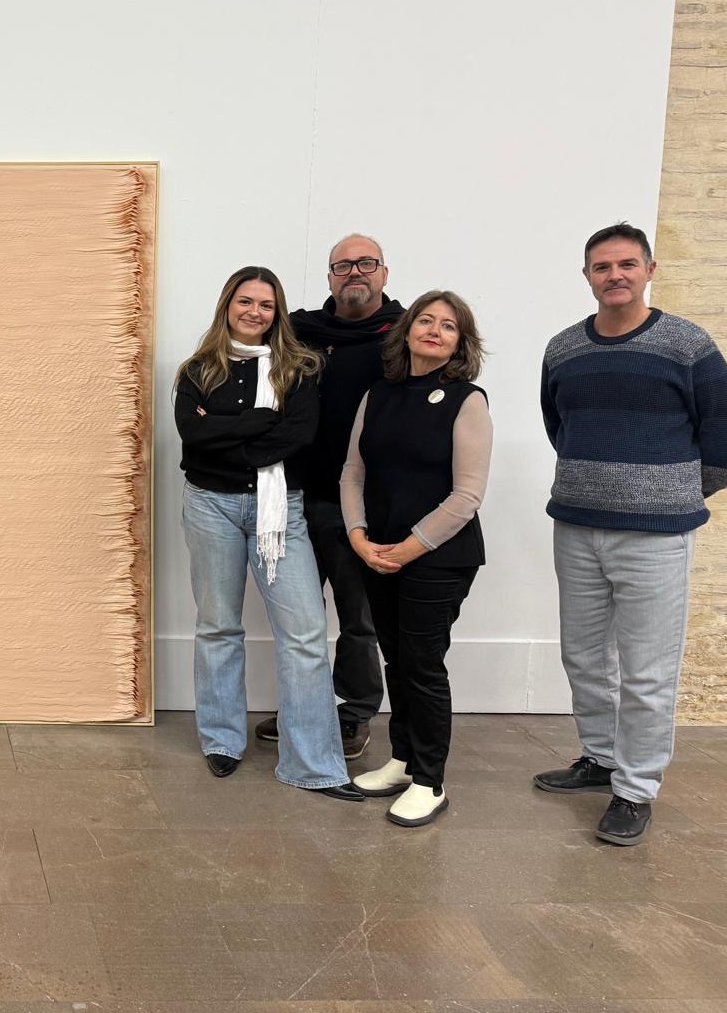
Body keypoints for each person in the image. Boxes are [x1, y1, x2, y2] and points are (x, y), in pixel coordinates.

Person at [536, 223, 726, 846]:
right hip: (576, 525)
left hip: (657, 536)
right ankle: (599, 758)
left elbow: (722, 430)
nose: (614, 275)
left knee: (647, 670)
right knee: (584, 655)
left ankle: (636, 788)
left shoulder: (687, 344)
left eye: (626, 264)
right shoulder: (564, 348)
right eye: (601, 266)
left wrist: (673, 493)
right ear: (586, 276)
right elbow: (558, 424)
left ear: (649, 269)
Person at [174, 265, 362, 801]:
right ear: (227, 305)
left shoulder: (299, 368)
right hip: (209, 505)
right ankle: (222, 740)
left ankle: (312, 764)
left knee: (304, 634)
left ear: (277, 312)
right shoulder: (198, 370)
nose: (254, 312)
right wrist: (260, 422)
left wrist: (225, 433)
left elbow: (298, 435)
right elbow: (192, 437)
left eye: (266, 304)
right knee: (218, 625)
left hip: (280, 509)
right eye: (245, 301)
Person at [342, 291, 492, 827]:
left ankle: (431, 781)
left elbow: (467, 496)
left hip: (439, 558)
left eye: (448, 325)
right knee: (397, 660)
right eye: (425, 320)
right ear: (406, 332)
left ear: (460, 342)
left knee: (423, 666)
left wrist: (408, 548)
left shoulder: (467, 401)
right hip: (378, 551)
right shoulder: (377, 395)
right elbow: (353, 471)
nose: (435, 330)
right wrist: (358, 536)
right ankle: (404, 760)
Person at [258, 234, 406, 760]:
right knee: (299, 617)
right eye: (343, 266)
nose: (354, 273)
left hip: (362, 505)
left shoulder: (403, 336)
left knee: (358, 618)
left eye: (366, 263)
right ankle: (306, 706)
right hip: (296, 495)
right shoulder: (301, 332)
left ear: (384, 273)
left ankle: (354, 711)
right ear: (329, 278)